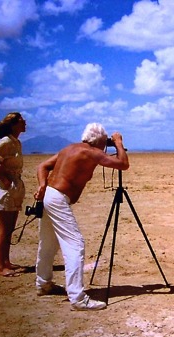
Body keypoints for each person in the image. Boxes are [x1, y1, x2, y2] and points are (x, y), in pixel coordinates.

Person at [34, 123, 129, 311]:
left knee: (48, 242)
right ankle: (77, 298)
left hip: (50, 196)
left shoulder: (69, 148)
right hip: (58, 198)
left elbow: (42, 166)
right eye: (104, 142)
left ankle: (43, 283)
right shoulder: (91, 152)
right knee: (75, 245)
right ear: (100, 141)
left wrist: (42, 185)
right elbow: (123, 164)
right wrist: (118, 143)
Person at [0, 112, 27, 277]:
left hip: (16, 185)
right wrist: (6, 182)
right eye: (21, 121)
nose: (24, 123)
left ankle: (6, 261)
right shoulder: (5, 143)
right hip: (7, 189)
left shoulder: (16, 142)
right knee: (4, 229)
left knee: (11, 228)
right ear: (13, 124)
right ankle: (1, 266)